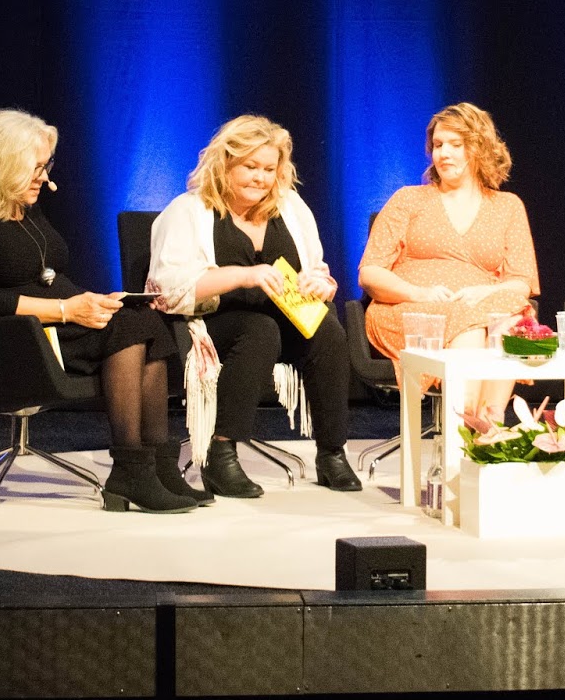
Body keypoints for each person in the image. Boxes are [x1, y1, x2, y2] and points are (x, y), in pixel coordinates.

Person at [0, 108, 200, 514]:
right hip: (12, 338)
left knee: (143, 318)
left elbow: (49, 275)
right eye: (35, 168)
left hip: (59, 323)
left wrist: (94, 302)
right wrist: (67, 310)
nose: (45, 178)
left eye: (46, 166)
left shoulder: (28, 209)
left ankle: (158, 465)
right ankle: (130, 468)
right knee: (127, 329)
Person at [149, 114, 359, 498]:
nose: (260, 178)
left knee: (327, 328)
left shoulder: (291, 207)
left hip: (284, 318)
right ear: (225, 163)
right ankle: (221, 454)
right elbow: (167, 290)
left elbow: (316, 268)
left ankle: (332, 452)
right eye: (250, 167)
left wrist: (319, 284)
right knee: (260, 329)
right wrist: (243, 276)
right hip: (214, 322)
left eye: (268, 169)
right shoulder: (188, 210)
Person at [358, 102, 539, 418]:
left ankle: (490, 426)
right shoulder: (408, 199)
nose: (443, 153)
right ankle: (465, 432)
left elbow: (521, 283)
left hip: (479, 307)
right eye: (438, 145)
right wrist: (420, 294)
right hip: (412, 310)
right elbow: (370, 273)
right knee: (469, 325)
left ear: (479, 148)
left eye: (456, 145)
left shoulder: (508, 206)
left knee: (509, 321)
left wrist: (485, 293)